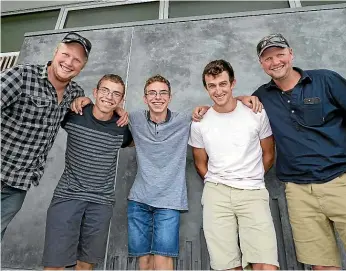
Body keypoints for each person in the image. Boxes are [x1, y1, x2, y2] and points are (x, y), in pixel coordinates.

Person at [73, 74, 262, 270]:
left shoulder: (185, 120)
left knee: (163, 262)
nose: (157, 97)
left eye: (163, 93)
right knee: (144, 262)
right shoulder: (135, 119)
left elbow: (220, 107)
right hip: (139, 201)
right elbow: (108, 109)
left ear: (170, 97)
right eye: (152, 93)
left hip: (169, 202)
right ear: (145, 98)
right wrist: (85, 100)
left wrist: (242, 99)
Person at [253, 33, 346, 270]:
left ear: (291, 54)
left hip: (344, 181)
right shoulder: (262, 97)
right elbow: (236, 110)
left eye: (280, 55)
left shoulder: (326, 80)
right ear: (262, 64)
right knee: (320, 265)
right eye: (268, 58)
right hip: (299, 191)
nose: (275, 62)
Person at [188, 59, 279, 270]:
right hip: (216, 194)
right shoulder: (200, 122)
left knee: (265, 264)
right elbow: (200, 163)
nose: (218, 90)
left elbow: (269, 154)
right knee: (226, 265)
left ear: (232, 83)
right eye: (212, 85)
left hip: (252, 191)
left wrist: (250, 175)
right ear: (206, 88)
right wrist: (220, 181)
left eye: (222, 84)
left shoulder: (255, 113)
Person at [0, 32, 92, 240]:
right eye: (66, 54)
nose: (69, 62)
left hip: (18, 184)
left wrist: (118, 112)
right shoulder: (21, 76)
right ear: (55, 52)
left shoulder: (74, 93)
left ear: (82, 67)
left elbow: (94, 116)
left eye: (76, 60)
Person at [42, 74, 133, 270]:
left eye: (116, 94)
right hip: (68, 196)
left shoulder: (122, 128)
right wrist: (80, 100)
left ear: (122, 100)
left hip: (101, 203)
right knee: (55, 265)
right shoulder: (75, 114)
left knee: (85, 265)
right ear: (95, 92)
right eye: (105, 91)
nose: (109, 96)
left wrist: (120, 112)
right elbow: (53, 100)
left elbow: (139, 141)